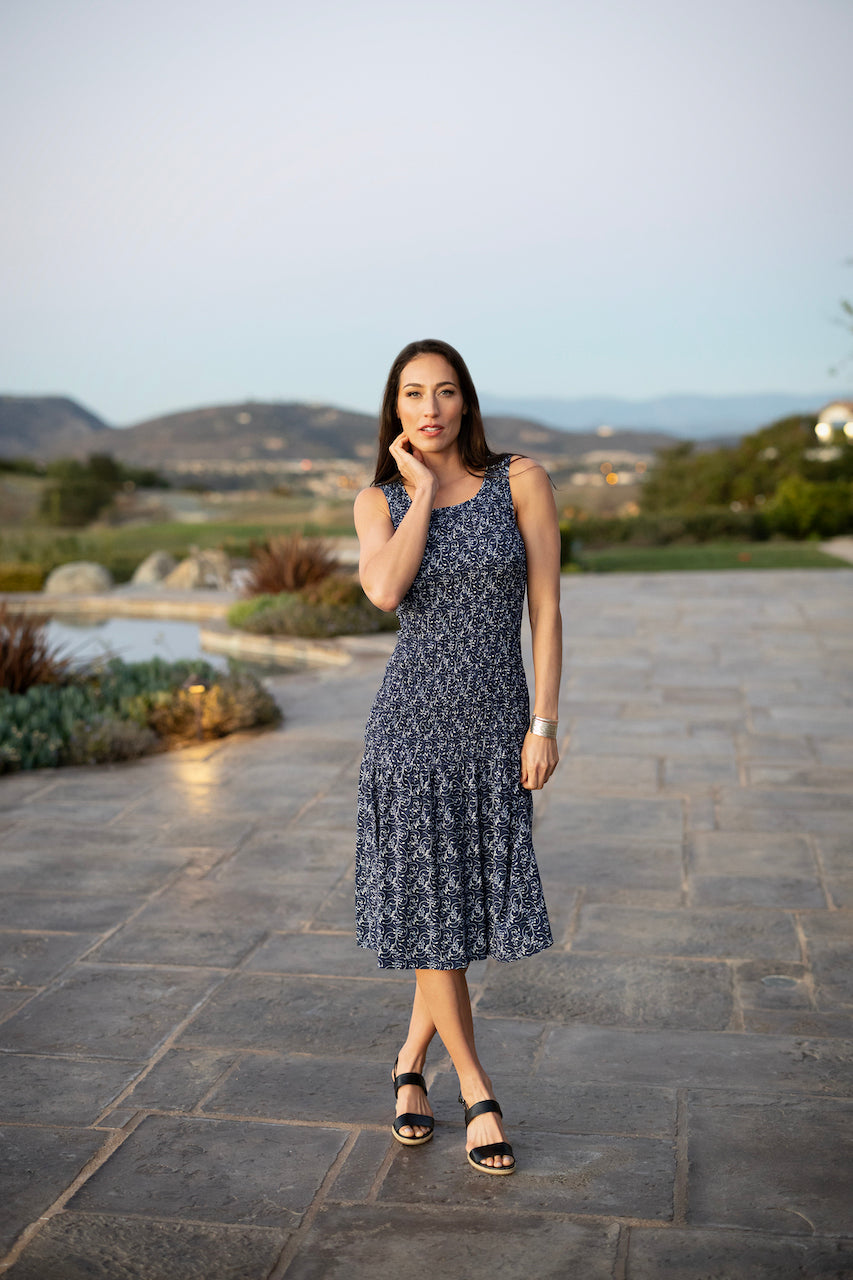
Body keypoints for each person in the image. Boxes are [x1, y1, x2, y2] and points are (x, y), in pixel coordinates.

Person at [353, 338, 562, 1176]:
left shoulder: (520, 479)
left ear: (466, 403)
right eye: (413, 395)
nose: (430, 408)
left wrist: (542, 724)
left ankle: (408, 1065)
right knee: (436, 918)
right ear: (395, 411)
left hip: (494, 729)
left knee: (459, 909)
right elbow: (384, 592)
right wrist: (424, 494)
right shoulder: (377, 500)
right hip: (408, 735)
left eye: (444, 393)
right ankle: (476, 1091)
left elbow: (545, 609)